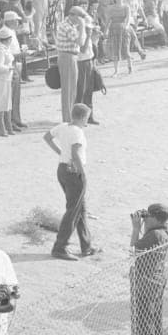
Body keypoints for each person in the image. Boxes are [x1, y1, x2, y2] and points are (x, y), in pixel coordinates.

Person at [43, 104, 101, 261]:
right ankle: (60, 247)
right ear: (82, 117)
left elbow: (47, 137)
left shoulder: (63, 126)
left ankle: (86, 246)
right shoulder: (78, 132)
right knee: (73, 211)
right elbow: (75, 153)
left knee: (79, 208)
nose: (86, 121)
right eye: (87, 118)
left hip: (62, 169)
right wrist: (81, 171)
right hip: (73, 173)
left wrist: (60, 152)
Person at [129, 203, 168, 335]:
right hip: (158, 281)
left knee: (143, 323)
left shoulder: (153, 234)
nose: (145, 219)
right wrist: (144, 226)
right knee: (155, 321)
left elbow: (134, 249)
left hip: (145, 284)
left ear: (155, 218)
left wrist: (135, 228)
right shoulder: (166, 232)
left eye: (147, 217)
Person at [54, 7, 86, 124]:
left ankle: (70, 117)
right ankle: (67, 119)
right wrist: (82, 27)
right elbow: (80, 42)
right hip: (67, 57)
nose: (80, 20)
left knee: (72, 88)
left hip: (70, 56)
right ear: (73, 16)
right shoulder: (67, 26)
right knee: (68, 89)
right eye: (79, 18)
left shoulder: (69, 25)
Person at [0, 24, 17, 137]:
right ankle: (2, 126)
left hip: (6, 78)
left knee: (7, 102)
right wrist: (10, 68)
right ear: (8, 39)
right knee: (0, 103)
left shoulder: (5, 48)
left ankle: (8, 125)